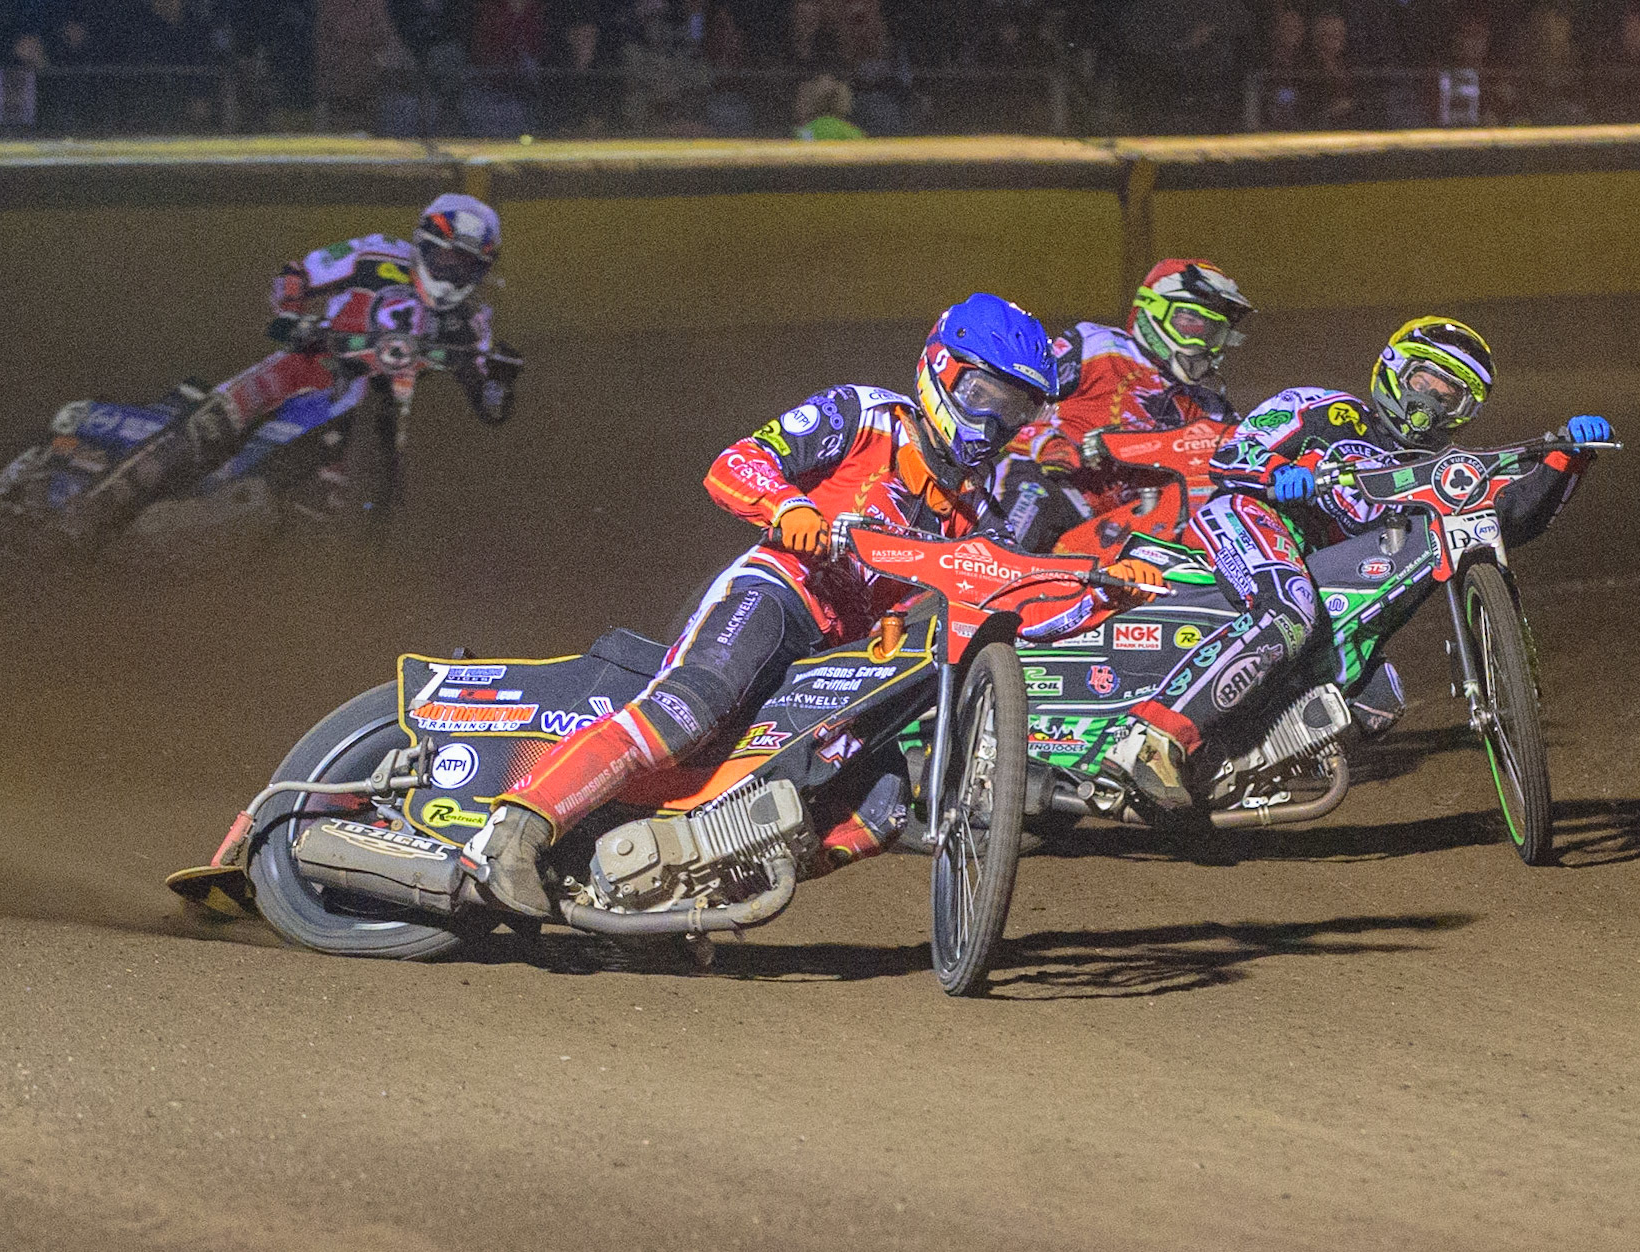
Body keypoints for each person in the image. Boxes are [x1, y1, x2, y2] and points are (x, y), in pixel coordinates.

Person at [473, 293, 1164, 918]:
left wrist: (1105, 595)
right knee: (692, 705)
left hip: (845, 661)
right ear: (941, 370)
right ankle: (517, 829)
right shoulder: (863, 416)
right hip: (780, 594)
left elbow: (1018, 607)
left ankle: (688, 887)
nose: (993, 421)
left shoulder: (981, 511)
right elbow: (735, 463)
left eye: (1014, 409)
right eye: (983, 394)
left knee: (881, 803)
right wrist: (788, 506)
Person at [1122, 316, 1613, 805]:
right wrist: (1277, 473)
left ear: (1465, 411)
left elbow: (1508, 520)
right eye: (1424, 382)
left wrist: (1568, 459)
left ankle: (1227, 768)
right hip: (1253, 519)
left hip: (1320, 574)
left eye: (1448, 397)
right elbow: (1232, 454)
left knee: (1376, 697)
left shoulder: (1438, 472)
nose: (1429, 404)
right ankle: (1156, 738)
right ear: (1395, 372)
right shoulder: (1325, 410)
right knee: (1291, 607)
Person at [74, 193, 517, 541]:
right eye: (448, 258)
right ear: (424, 243)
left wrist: (501, 379)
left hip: (377, 406)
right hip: (313, 362)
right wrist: (291, 316)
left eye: (467, 266)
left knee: (389, 489)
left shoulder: (472, 319)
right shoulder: (375, 253)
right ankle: (88, 514)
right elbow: (298, 272)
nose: (453, 273)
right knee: (215, 420)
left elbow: (488, 403)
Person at [991, 259, 1253, 555]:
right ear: (1154, 310)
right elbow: (1011, 399)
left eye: (1214, 332)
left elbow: (1249, 458)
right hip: (1058, 487)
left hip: (1126, 526)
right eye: (1191, 324)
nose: (1202, 343)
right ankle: (990, 572)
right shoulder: (1097, 346)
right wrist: (1045, 442)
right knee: (1024, 518)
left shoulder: (1210, 408)